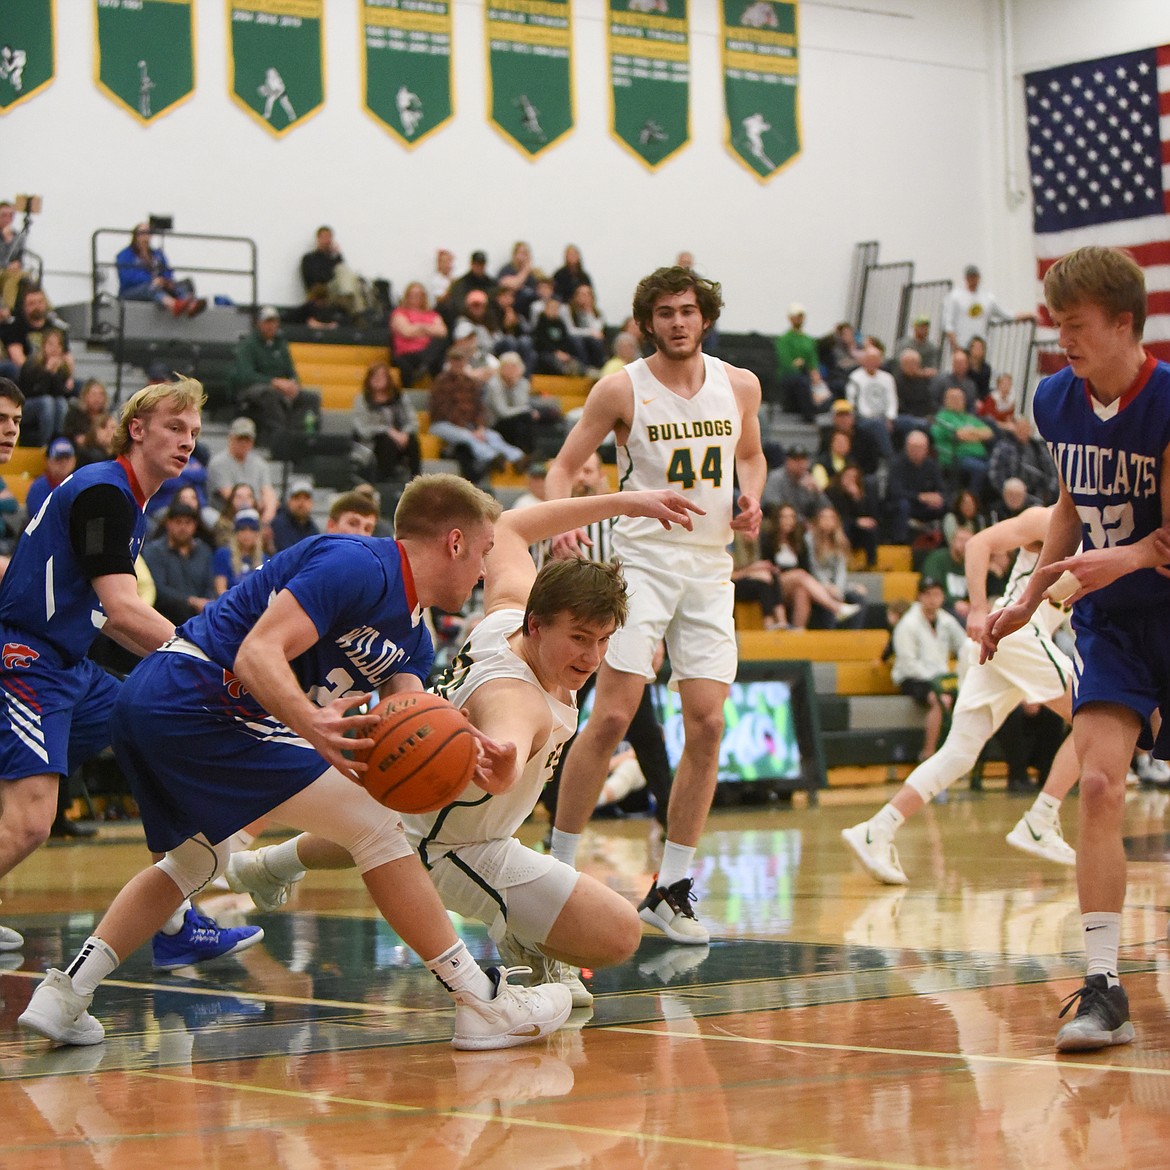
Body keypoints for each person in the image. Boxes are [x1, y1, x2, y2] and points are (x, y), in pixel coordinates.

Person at [18, 475, 576, 1050]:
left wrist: (469, 748)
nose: (486, 571)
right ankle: (479, 999)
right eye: (485, 553)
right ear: (455, 543)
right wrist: (314, 726)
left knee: (196, 860)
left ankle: (66, 995)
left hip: (163, 707)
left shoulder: (411, 630)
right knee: (377, 829)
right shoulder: (359, 564)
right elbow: (256, 653)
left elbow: (408, 719)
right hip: (198, 694)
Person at [224, 487, 699, 1005]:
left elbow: (512, 530)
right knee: (618, 934)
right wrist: (503, 767)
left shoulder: (508, 615)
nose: (592, 656)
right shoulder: (516, 699)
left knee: (392, 825)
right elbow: (507, 742)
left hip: (417, 807)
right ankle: (520, 934)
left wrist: (627, 501)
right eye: (581, 638)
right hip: (457, 850)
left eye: (604, 640)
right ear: (536, 626)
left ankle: (269, 865)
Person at [981, 245, 1170, 1053]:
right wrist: (1028, 598)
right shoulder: (1056, 398)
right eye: (1057, 322)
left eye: (1078, 324)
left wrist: (1117, 558)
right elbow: (1071, 500)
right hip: (1115, 624)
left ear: (1126, 324)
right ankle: (1103, 986)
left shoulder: (1166, 401)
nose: (1063, 337)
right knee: (1096, 784)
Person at [542, 264, 766, 943]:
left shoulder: (741, 386)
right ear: (648, 322)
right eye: (665, 312)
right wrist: (562, 519)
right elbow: (561, 465)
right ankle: (557, 870)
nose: (677, 321)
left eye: (688, 310)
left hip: (709, 567)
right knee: (610, 716)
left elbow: (751, 457)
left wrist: (751, 494)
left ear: (705, 317)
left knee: (706, 725)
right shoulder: (620, 388)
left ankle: (672, 889)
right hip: (641, 563)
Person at [0, 377, 259, 964]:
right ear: (136, 429)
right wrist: (209, 661)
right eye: (174, 427)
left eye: (194, 432)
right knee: (30, 823)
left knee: (158, 737)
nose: (187, 441)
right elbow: (121, 609)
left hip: (69, 666)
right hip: (26, 660)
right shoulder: (105, 493)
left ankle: (173, 924)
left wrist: (181, 671)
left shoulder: (127, 500)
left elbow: (110, 619)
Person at [843, 505, 1080, 885]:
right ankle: (1041, 819)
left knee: (958, 754)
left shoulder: (1107, 532)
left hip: (1019, 642)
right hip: (1014, 629)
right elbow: (980, 544)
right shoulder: (1049, 519)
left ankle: (876, 829)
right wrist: (978, 606)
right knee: (1094, 715)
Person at [888, 578, 966, 760]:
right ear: (920, 597)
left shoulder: (946, 621)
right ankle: (929, 754)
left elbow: (964, 645)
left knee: (966, 699)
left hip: (941, 678)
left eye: (937, 594)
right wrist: (937, 680)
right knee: (940, 700)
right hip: (912, 678)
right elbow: (908, 664)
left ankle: (957, 756)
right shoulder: (907, 624)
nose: (933, 599)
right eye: (928, 594)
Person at [231, 307, 321, 443]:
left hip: (280, 387)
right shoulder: (248, 345)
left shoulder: (281, 344)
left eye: (274, 322)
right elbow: (246, 375)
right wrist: (273, 382)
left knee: (311, 397)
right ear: (259, 324)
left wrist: (293, 383)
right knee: (269, 394)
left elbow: (291, 371)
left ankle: (301, 437)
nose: (271, 326)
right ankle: (280, 437)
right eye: (267, 322)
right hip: (252, 389)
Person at [142, 499, 216, 624]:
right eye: (178, 522)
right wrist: (191, 601)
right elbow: (158, 589)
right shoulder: (154, 551)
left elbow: (210, 585)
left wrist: (205, 602)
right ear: (168, 523)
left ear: (195, 525)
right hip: (165, 617)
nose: (183, 527)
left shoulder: (204, 551)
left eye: (188, 523)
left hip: (200, 616)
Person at [115, 223, 205, 318]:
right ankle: (174, 305)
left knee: (180, 285)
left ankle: (191, 305)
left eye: (149, 233)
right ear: (136, 236)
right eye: (143, 233)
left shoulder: (157, 254)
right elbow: (127, 277)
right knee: (150, 287)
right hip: (131, 291)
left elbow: (167, 271)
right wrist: (152, 280)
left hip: (157, 286)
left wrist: (165, 281)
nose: (147, 236)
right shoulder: (125, 255)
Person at [352, 361, 421, 482]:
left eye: (382, 376)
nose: (378, 380)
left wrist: (404, 433)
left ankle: (417, 480)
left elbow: (413, 421)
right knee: (387, 442)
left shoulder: (400, 398)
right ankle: (385, 482)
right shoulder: (362, 400)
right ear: (368, 379)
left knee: (412, 441)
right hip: (373, 442)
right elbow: (362, 428)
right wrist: (387, 431)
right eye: (375, 376)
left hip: (400, 439)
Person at [206, 416, 278, 523]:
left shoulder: (260, 464)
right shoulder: (218, 463)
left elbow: (268, 494)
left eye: (247, 439)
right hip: (226, 517)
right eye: (240, 438)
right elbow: (231, 497)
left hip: (256, 516)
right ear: (230, 438)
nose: (244, 443)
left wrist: (266, 520)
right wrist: (257, 505)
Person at [775, 303, 830, 422]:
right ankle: (809, 415)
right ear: (790, 318)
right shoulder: (785, 339)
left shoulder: (808, 340)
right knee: (802, 382)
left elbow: (812, 362)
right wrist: (803, 367)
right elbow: (787, 363)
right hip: (789, 376)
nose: (799, 319)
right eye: (796, 316)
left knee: (829, 386)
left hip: (806, 376)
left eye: (801, 316)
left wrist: (815, 375)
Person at [390, 282, 448, 388]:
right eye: (412, 295)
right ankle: (425, 366)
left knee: (441, 342)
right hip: (408, 353)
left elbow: (442, 332)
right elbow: (406, 332)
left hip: (428, 351)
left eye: (419, 295)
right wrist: (427, 328)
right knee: (436, 358)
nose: (416, 298)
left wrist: (418, 327)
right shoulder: (400, 313)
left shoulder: (433, 314)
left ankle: (425, 365)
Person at [942, 265, 1013, 351]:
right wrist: (956, 347)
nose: (973, 279)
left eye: (975, 276)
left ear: (979, 278)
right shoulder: (955, 297)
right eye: (970, 277)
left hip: (979, 347)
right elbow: (948, 325)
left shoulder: (988, 298)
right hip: (962, 346)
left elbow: (1006, 314)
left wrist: (1027, 315)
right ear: (966, 278)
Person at [211, 507, 266, 595]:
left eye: (252, 529)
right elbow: (220, 589)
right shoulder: (223, 554)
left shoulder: (265, 559)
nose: (247, 534)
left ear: (257, 534)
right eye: (242, 529)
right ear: (235, 533)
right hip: (230, 604)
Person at [24, 436, 76, 519]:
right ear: (48, 461)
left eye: (67, 458)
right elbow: (38, 516)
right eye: (58, 459)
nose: (64, 463)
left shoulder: (78, 484)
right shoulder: (39, 487)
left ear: (74, 460)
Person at [271, 479, 319, 552]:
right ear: (289, 501)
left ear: (312, 503)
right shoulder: (279, 524)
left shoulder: (313, 528)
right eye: (297, 498)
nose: (301, 503)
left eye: (306, 498)